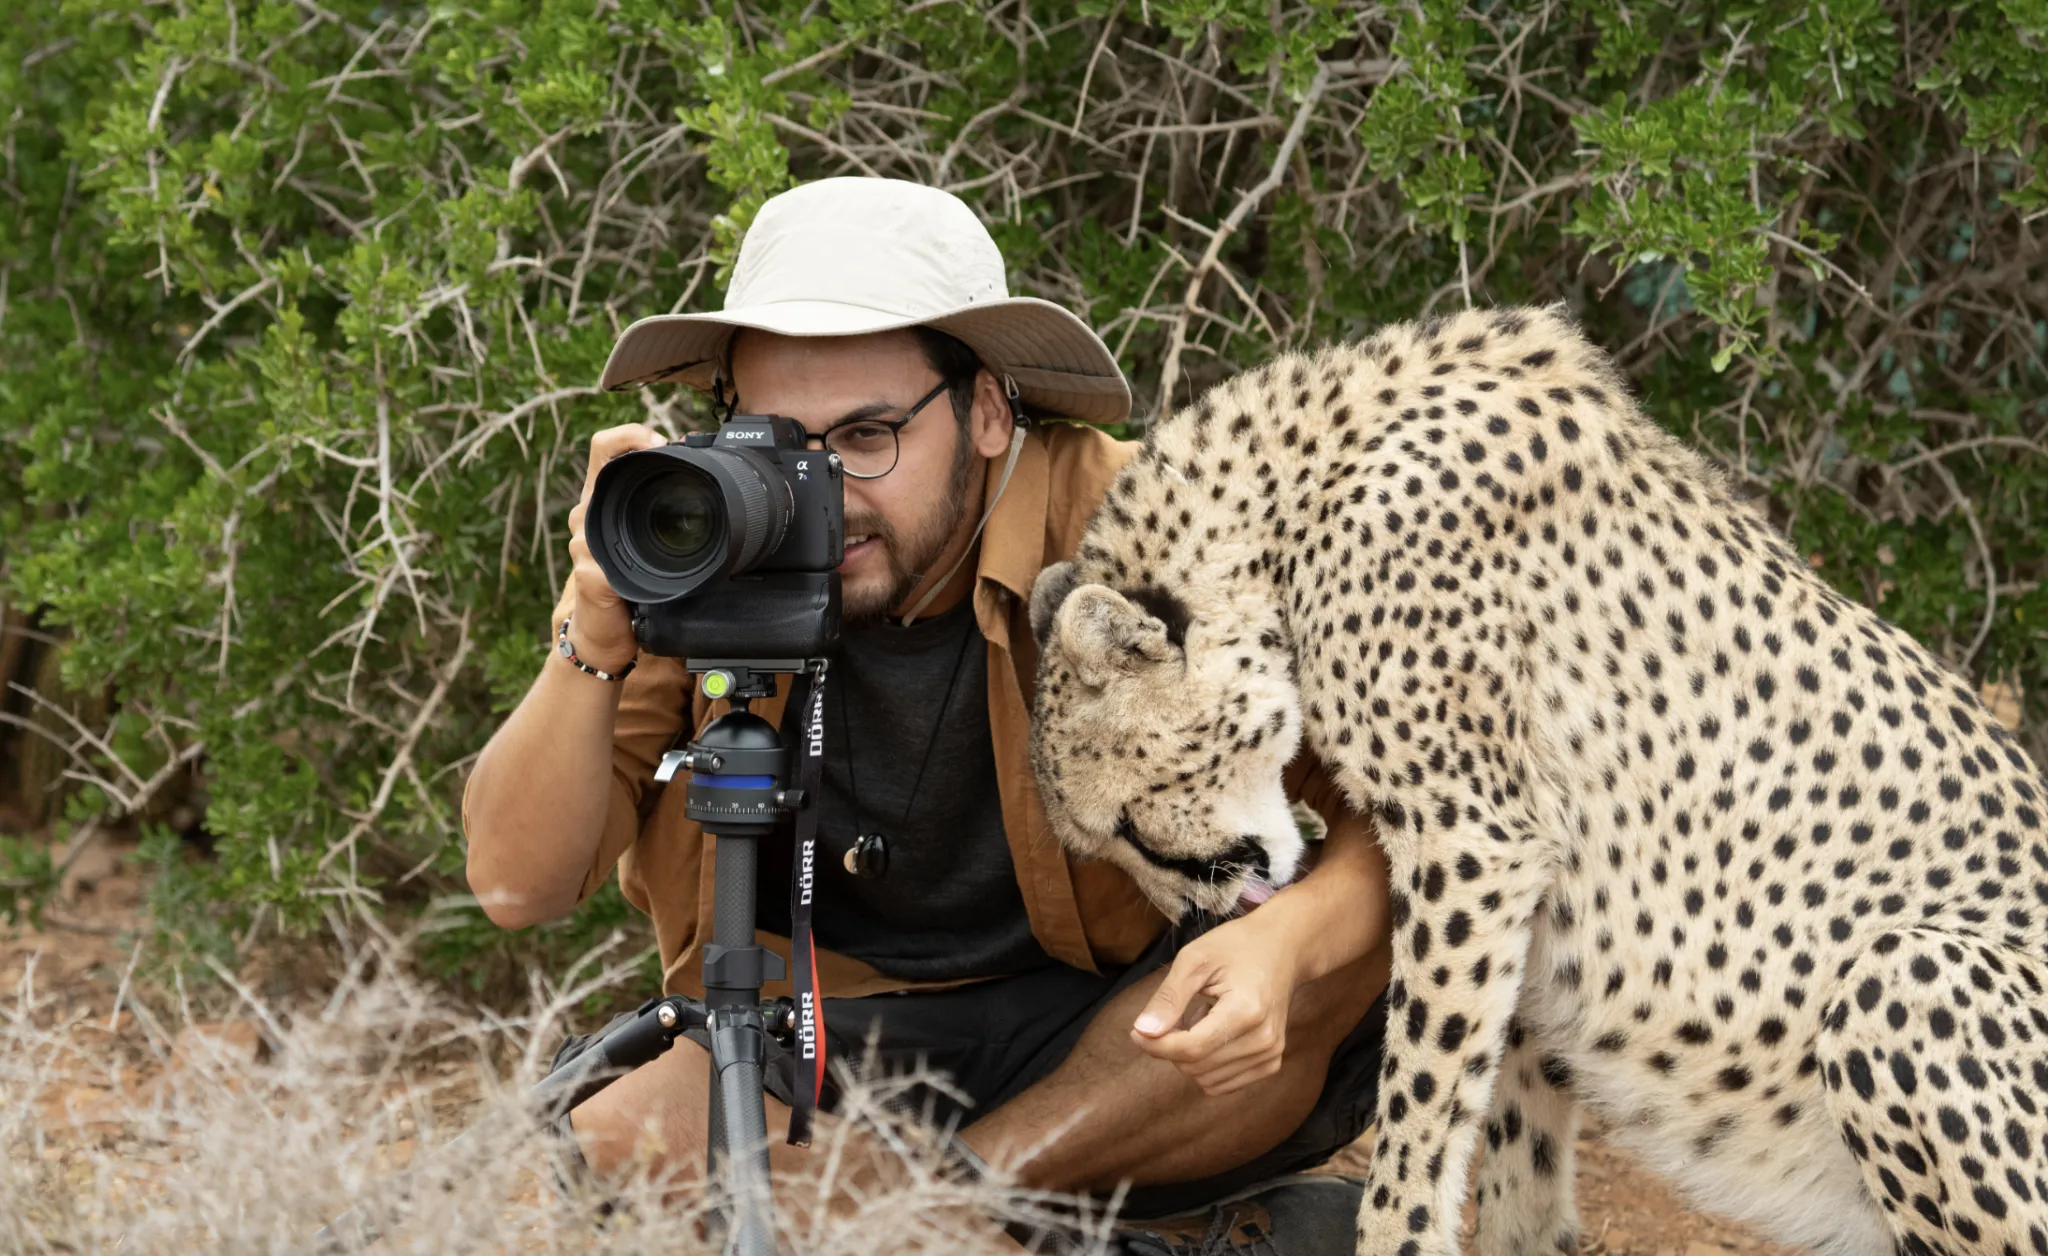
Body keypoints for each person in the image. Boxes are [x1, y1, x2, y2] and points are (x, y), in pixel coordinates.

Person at [460, 176, 1394, 1250]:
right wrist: (594, 626)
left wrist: (1287, 940)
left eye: (865, 436)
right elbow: (513, 880)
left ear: (987, 410)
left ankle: (955, 1211)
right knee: (621, 1139)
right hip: (827, 1042)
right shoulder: (706, 542)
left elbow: (1412, 810)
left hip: (1110, 1036)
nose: (822, 487)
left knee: (1309, 960)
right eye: (779, 437)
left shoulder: (1142, 526)